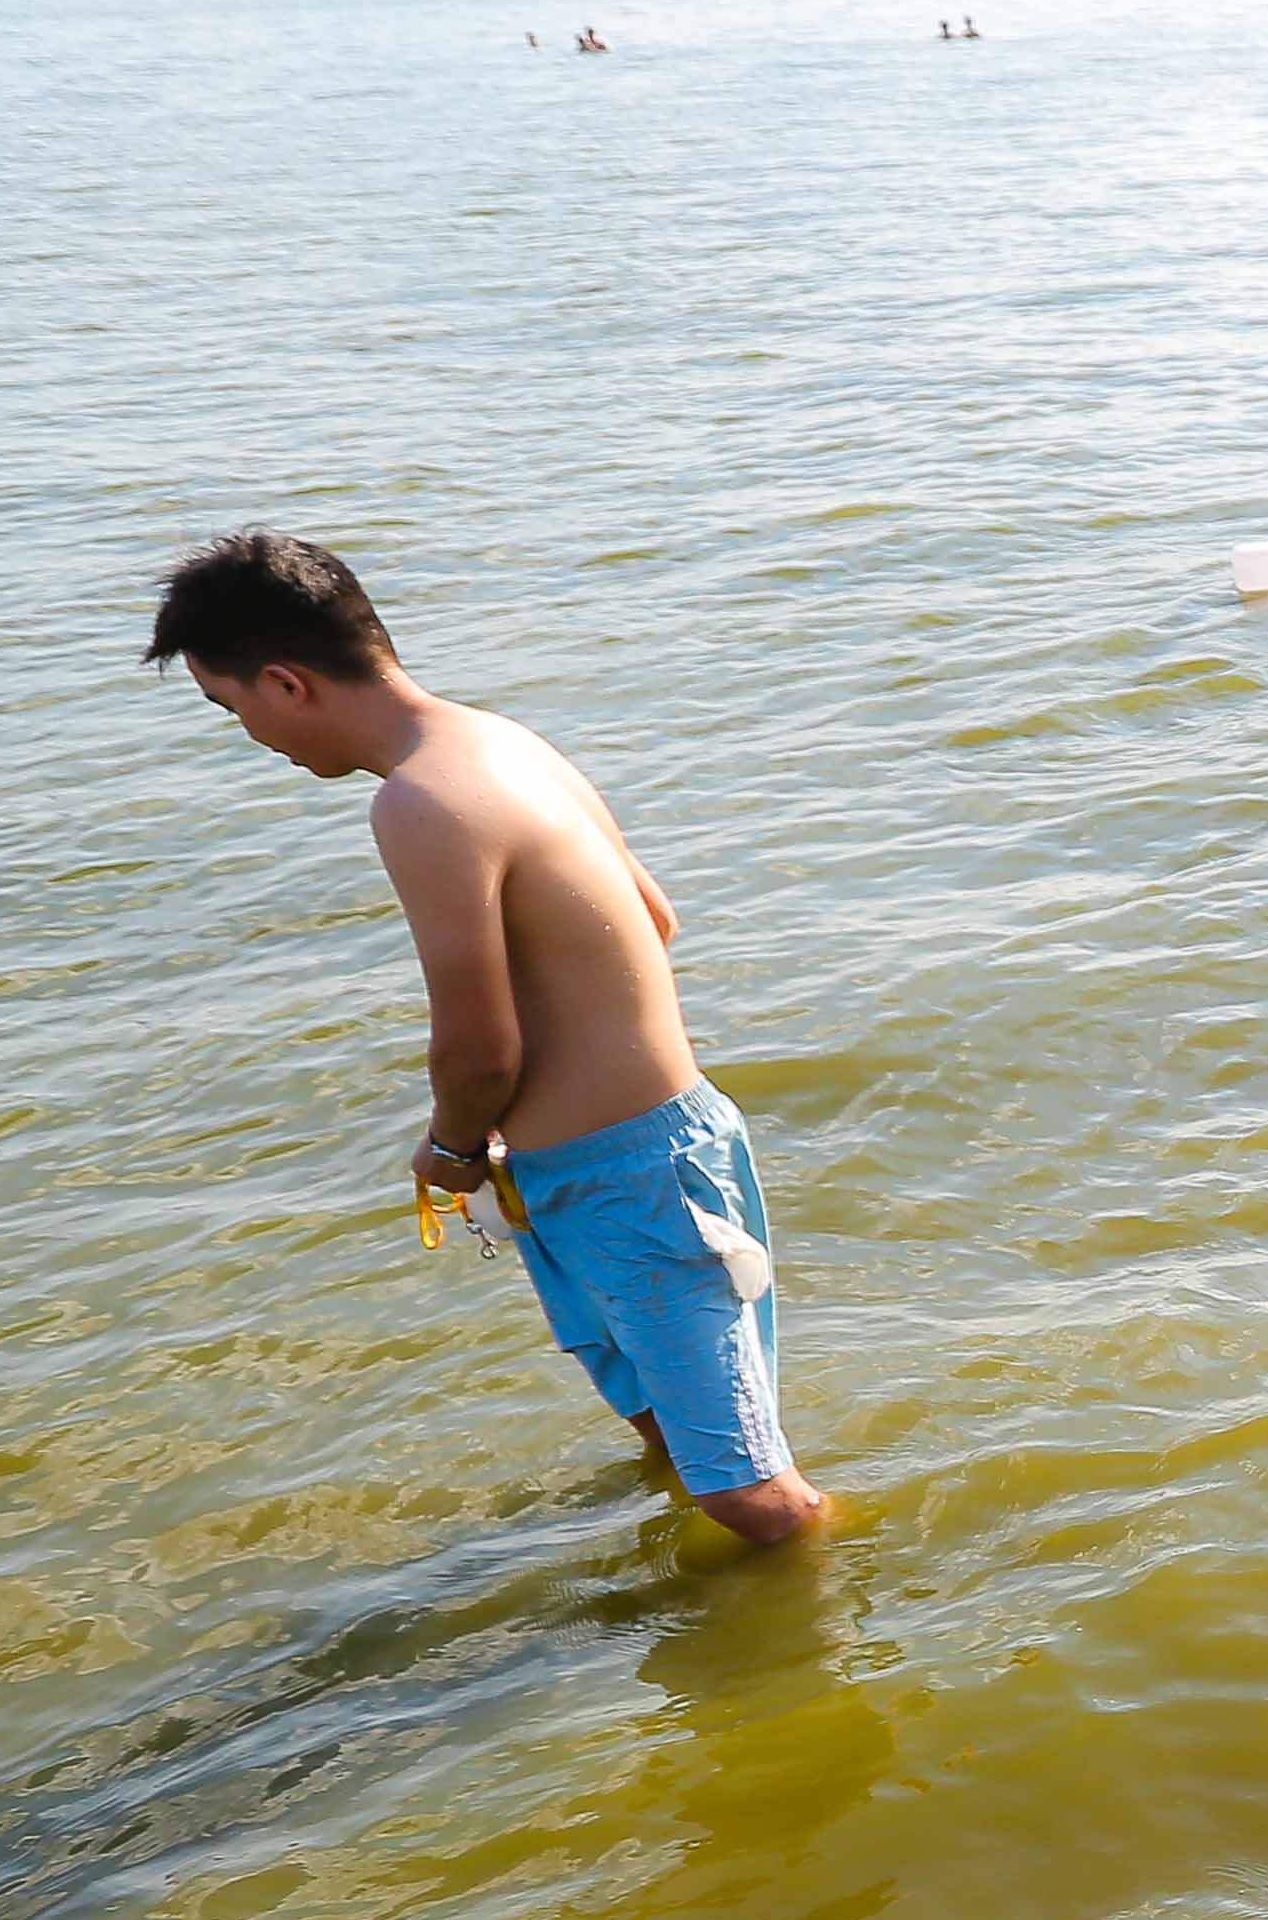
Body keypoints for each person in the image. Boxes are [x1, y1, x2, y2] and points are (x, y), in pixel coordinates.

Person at [143, 532, 836, 1545]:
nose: (251, 737)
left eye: (230, 708)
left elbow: (478, 1051)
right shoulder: (498, 741)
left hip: (630, 1180)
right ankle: (715, 1638)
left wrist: (452, 1148)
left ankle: (882, 1614)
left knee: (747, 1492)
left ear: (285, 683)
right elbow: (655, 917)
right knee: (672, 1435)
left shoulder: (418, 804)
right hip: (630, 1155)